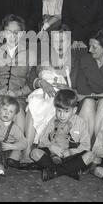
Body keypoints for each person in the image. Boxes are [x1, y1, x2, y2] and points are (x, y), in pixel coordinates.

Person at [0, 14, 36, 167]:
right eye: (8, 31)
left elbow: (32, 81)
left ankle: (17, 152)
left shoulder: (30, 54)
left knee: (18, 111)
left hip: (18, 95)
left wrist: (18, 93)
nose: (12, 36)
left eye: (16, 32)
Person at [22, 24, 74, 165]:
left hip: (62, 96)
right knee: (35, 103)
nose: (61, 44)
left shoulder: (76, 58)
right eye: (57, 40)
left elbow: (81, 88)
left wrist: (68, 89)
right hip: (42, 91)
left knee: (56, 107)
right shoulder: (43, 54)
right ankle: (26, 153)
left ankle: (52, 152)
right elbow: (30, 78)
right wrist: (40, 82)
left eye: (64, 40)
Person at [29, 89, 95, 181]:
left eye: (66, 111)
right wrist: (51, 146)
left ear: (74, 110)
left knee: (90, 155)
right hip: (54, 155)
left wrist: (71, 152)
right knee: (34, 153)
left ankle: (54, 172)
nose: (62, 115)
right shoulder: (53, 120)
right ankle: (70, 172)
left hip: (71, 157)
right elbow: (42, 140)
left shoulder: (81, 123)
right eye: (59, 111)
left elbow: (86, 146)